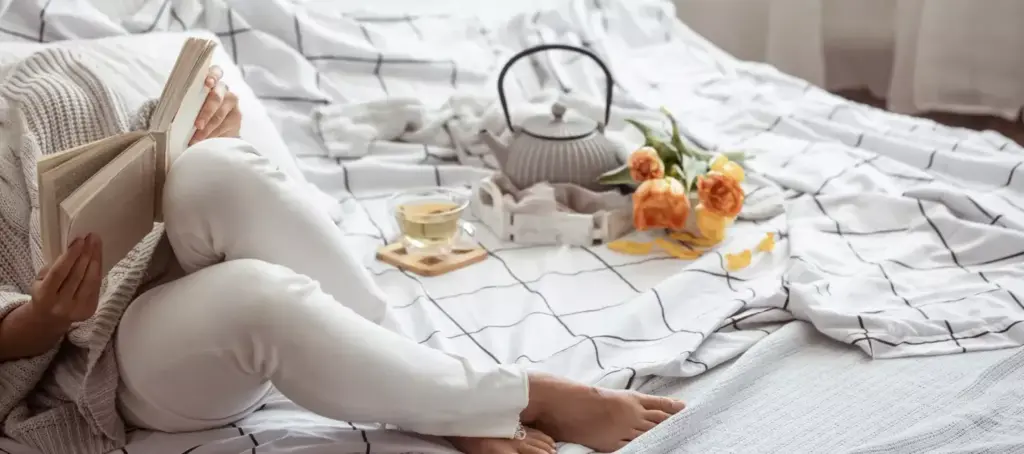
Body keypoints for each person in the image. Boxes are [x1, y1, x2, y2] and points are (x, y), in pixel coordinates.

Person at [0, 48, 685, 454]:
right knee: (258, 294)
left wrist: (206, 137)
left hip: (169, 272)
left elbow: (140, 155)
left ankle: (437, 397)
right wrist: (43, 321)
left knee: (216, 173)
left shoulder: (40, 76)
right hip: (106, 364)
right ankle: (506, 397)